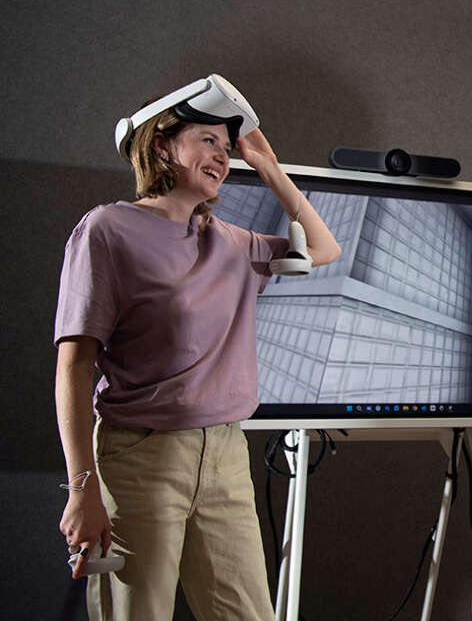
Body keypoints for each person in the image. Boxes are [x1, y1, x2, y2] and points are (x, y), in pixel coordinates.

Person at [55, 77, 341, 620]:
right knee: (137, 612)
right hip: (141, 456)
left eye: (227, 148)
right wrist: (81, 488)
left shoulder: (231, 242)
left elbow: (324, 248)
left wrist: (270, 168)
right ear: (162, 145)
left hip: (226, 455)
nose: (222, 156)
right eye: (208, 140)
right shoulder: (108, 230)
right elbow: (74, 365)